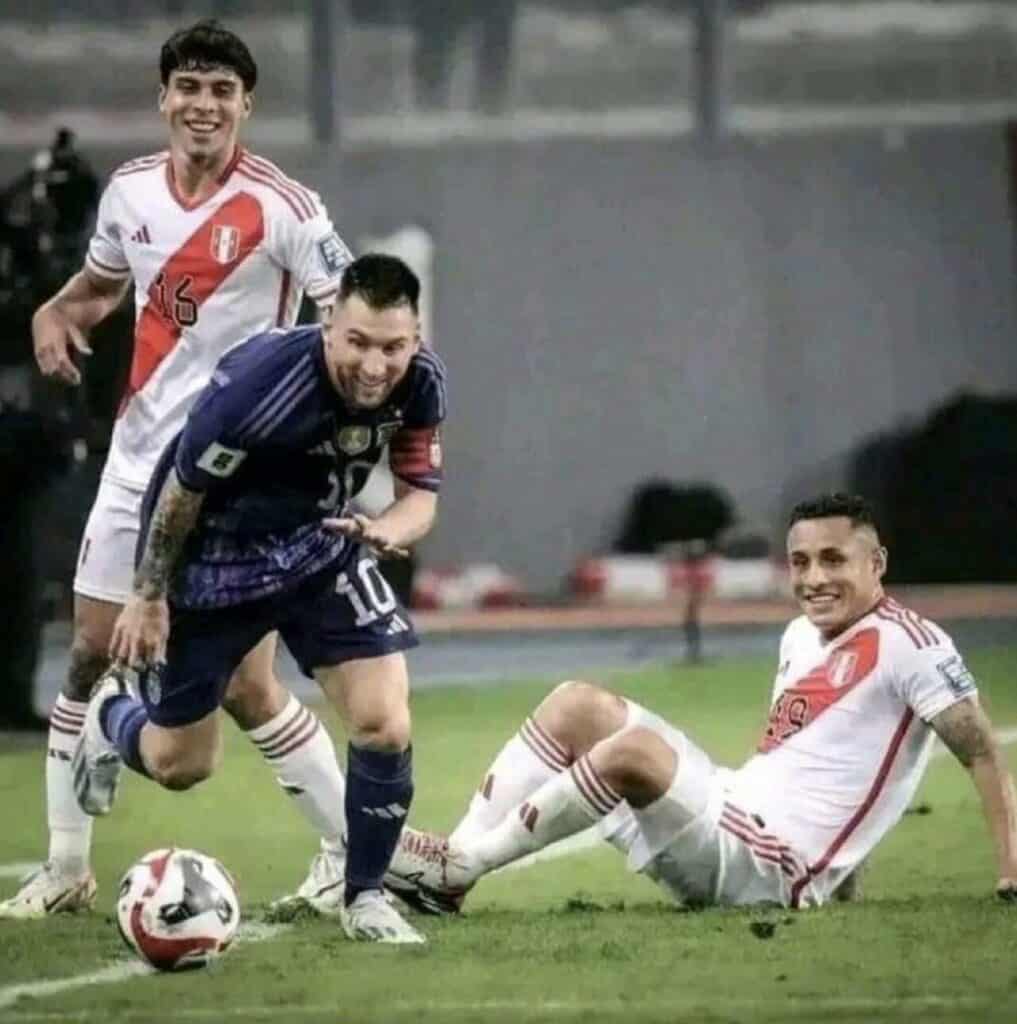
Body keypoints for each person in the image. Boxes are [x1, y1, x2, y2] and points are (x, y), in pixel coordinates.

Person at [0, 20, 353, 920]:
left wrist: (318, 423)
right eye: (189, 87)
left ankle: (351, 857)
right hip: (136, 464)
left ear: (246, 105)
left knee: (246, 688)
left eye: (222, 91)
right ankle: (66, 868)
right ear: (163, 98)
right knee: (87, 652)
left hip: (238, 485)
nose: (204, 105)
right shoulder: (128, 192)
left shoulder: (285, 207)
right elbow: (100, 286)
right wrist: (53, 312)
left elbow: (348, 321)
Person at [390, 493, 1017, 912]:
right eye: (800, 562)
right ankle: (449, 876)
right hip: (737, 810)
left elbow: (981, 750)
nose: (814, 578)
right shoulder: (799, 635)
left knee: (633, 751)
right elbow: (819, 765)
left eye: (834, 560)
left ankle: (462, 864)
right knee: (576, 704)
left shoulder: (912, 644)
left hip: (773, 867)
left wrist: (1011, 870)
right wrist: (847, 875)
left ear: (876, 562)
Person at [73, 254, 446, 944]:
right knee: (181, 763)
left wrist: (387, 530)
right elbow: (181, 489)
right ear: (328, 324)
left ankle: (364, 896)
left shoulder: (421, 381)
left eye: (392, 347)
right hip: (214, 564)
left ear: (414, 339)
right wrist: (148, 595)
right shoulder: (260, 385)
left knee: (384, 722)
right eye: (358, 343)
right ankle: (110, 716)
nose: (374, 367)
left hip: (318, 545)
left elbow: (419, 493)